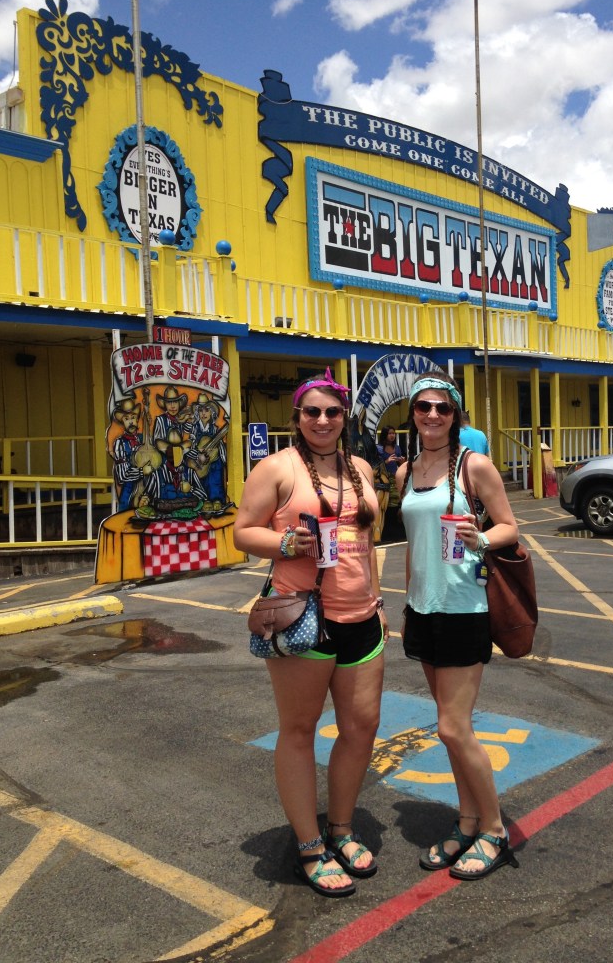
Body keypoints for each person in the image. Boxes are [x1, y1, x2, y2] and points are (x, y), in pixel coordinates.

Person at [233, 368, 386, 898]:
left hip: (362, 617)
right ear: (297, 417)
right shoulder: (277, 468)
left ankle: (340, 827)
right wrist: (285, 545)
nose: (323, 420)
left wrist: (378, 600)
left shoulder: (360, 467)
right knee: (299, 730)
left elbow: (368, 541)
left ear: (345, 417)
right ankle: (309, 846)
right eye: (312, 412)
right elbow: (243, 532)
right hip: (306, 617)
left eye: (333, 412)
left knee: (361, 727)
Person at [396, 371, 520, 880]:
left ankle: (494, 830)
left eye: (442, 408)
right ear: (412, 413)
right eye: (423, 406)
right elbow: (412, 544)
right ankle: (467, 821)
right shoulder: (405, 472)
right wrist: (406, 602)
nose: (432, 415)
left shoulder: (475, 466)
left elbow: (510, 526)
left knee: (453, 726)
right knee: (450, 731)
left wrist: (482, 539)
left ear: (455, 415)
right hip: (423, 608)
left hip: (465, 608)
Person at [374, 425, 406, 542]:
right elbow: (375, 466)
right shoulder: (379, 449)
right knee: (385, 505)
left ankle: (398, 532)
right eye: (389, 433)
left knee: (397, 503)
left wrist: (401, 462)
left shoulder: (397, 448)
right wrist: (386, 462)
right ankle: (385, 533)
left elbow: (400, 465)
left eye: (393, 433)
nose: (392, 435)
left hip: (394, 478)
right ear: (384, 435)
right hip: (383, 480)